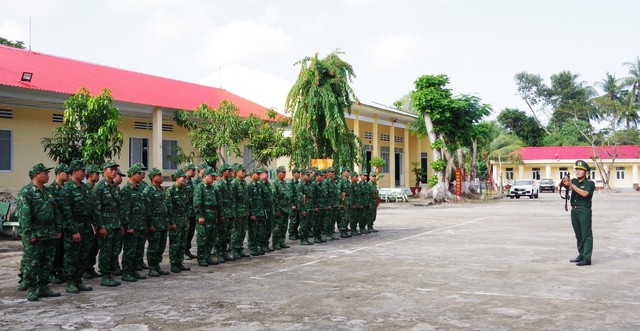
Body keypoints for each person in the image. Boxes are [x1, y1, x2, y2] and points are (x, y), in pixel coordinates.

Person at [17, 163, 62, 301]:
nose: (48, 176)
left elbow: (56, 211)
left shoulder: (48, 192)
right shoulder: (27, 192)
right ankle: (31, 288)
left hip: (49, 233)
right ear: (36, 175)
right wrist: (29, 234)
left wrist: (58, 228)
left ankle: (43, 287)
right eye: (45, 173)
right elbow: (24, 215)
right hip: (35, 233)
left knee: (47, 262)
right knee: (33, 263)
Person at [59, 160, 94, 293]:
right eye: (82, 171)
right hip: (74, 228)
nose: (84, 173)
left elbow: (90, 207)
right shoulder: (67, 190)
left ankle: (78, 280)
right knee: (71, 256)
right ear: (74, 172)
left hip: (86, 227)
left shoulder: (84, 188)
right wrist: (73, 231)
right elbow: (66, 213)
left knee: (83, 255)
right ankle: (70, 282)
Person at [92, 160, 123, 287]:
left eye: (115, 169)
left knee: (114, 251)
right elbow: (96, 209)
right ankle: (105, 276)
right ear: (104, 171)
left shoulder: (115, 187)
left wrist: (120, 224)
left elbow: (118, 207)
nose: (114, 171)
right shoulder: (99, 187)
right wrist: (101, 226)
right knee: (106, 250)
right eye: (111, 169)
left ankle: (110, 274)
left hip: (115, 224)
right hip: (105, 225)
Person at [562, 160, 595, 266]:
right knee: (579, 235)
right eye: (577, 170)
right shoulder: (574, 181)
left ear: (586, 172)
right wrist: (564, 180)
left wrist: (571, 184)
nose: (578, 172)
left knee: (586, 235)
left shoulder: (590, 183)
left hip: (584, 210)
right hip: (574, 210)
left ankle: (587, 258)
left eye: (580, 170)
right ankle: (581, 254)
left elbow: (584, 194)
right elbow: (563, 185)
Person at [120, 164, 148, 282]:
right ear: (132, 175)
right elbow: (125, 210)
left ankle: (133, 269)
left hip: (140, 224)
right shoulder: (126, 190)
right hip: (132, 226)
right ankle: (126, 272)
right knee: (130, 250)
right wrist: (128, 226)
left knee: (138, 249)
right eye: (138, 173)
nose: (141, 175)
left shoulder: (138, 189)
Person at [143, 168, 171, 276]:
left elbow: (165, 207)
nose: (161, 177)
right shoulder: (148, 191)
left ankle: (157, 265)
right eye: (158, 175)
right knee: (153, 247)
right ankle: (152, 267)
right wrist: (150, 224)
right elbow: (147, 209)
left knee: (161, 246)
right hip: (155, 224)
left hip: (163, 223)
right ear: (153, 177)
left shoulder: (161, 190)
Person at [193, 167, 221, 267]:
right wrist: (200, 216)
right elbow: (197, 203)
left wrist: (216, 216)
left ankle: (207, 256)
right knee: (202, 239)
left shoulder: (212, 188)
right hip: (204, 218)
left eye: (214, 176)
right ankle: (201, 258)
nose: (213, 178)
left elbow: (215, 203)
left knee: (211, 238)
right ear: (205, 176)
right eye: (211, 176)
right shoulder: (199, 187)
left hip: (212, 217)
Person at [167, 169, 191, 273]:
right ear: (177, 179)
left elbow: (187, 206)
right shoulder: (171, 190)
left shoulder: (184, 189)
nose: (185, 179)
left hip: (183, 220)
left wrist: (187, 221)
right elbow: (169, 208)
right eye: (183, 177)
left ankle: (180, 262)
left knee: (182, 243)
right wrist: (171, 222)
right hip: (175, 221)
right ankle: (173, 263)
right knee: (175, 243)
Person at [49, 163, 69, 285]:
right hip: (56, 226)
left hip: (65, 226)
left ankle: (61, 272)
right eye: (66, 173)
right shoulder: (50, 190)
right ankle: (52, 273)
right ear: (59, 173)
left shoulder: (66, 189)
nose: (68, 175)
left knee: (63, 251)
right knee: (54, 251)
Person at [215, 164, 236, 263]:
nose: (229, 172)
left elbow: (232, 200)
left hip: (230, 213)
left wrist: (233, 213)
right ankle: (219, 253)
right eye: (227, 170)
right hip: (223, 214)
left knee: (228, 235)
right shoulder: (219, 185)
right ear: (223, 172)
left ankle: (224, 252)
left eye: (230, 170)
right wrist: (221, 214)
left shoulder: (230, 184)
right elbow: (219, 201)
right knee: (221, 235)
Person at [231, 164, 251, 259]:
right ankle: (234, 250)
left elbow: (246, 199)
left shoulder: (244, 183)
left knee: (243, 231)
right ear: (237, 172)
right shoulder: (234, 183)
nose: (244, 173)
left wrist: (247, 210)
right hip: (237, 212)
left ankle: (239, 248)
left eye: (244, 171)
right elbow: (233, 199)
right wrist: (234, 213)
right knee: (236, 232)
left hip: (243, 211)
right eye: (242, 171)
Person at [247, 168, 267, 255]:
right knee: (252, 231)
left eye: (259, 174)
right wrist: (251, 213)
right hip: (254, 212)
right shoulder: (250, 186)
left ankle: (256, 247)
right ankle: (252, 248)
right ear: (252, 175)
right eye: (257, 174)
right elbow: (249, 200)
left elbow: (260, 199)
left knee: (259, 231)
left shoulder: (258, 186)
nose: (259, 175)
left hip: (260, 212)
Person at [272, 166, 291, 249]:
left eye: (284, 172)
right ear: (277, 173)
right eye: (282, 172)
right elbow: (274, 198)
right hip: (279, 209)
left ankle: (281, 242)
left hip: (286, 209)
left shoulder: (285, 184)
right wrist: (276, 209)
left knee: (284, 227)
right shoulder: (275, 184)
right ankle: (275, 243)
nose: (283, 174)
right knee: (277, 228)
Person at [183, 162, 197, 260]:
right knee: (185, 233)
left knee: (191, 233)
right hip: (186, 212)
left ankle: (187, 250)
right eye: (192, 170)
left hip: (192, 212)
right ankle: (183, 252)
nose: (194, 172)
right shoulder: (183, 182)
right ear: (187, 171)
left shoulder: (191, 182)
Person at [297, 169, 315, 245]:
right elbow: (300, 198)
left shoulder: (308, 184)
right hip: (304, 208)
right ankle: (303, 239)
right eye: (307, 175)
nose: (309, 177)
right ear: (303, 175)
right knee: (303, 224)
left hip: (310, 207)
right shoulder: (301, 185)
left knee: (309, 223)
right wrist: (302, 209)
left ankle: (306, 238)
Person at [287, 168, 301, 240]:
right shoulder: (291, 183)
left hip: (298, 204)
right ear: (293, 174)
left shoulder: (298, 183)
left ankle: (295, 233)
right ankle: (292, 234)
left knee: (298, 220)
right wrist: (292, 204)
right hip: (293, 205)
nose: (298, 174)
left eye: (299, 173)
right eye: (297, 173)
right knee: (293, 220)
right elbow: (290, 195)